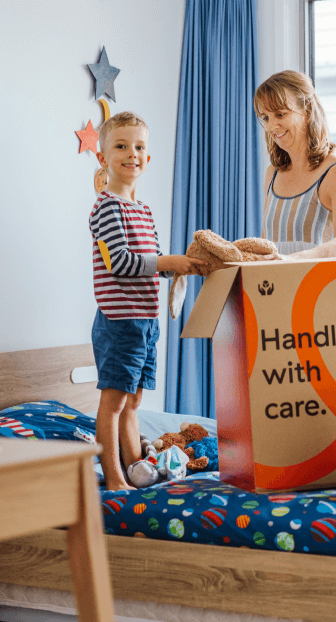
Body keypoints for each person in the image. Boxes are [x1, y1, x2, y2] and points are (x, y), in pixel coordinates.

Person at [89, 111, 207, 491]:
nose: (132, 154)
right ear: (103, 157)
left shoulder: (144, 211)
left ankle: (136, 469)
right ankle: (113, 479)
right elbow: (120, 263)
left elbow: (149, 267)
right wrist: (168, 261)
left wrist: (180, 267)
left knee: (134, 402)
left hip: (145, 320)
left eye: (139, 147)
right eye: (121, 146)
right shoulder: (107, 207)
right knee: (114, 404)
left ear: (148, 158)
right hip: (121, 321)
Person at [253, 70, 336, 259]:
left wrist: (292, 260)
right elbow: (266, 245)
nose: (271, 127)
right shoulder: (273, 174)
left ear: (308, 110)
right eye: (266, 118)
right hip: (274, 287)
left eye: (280, 114)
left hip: (317, 287)